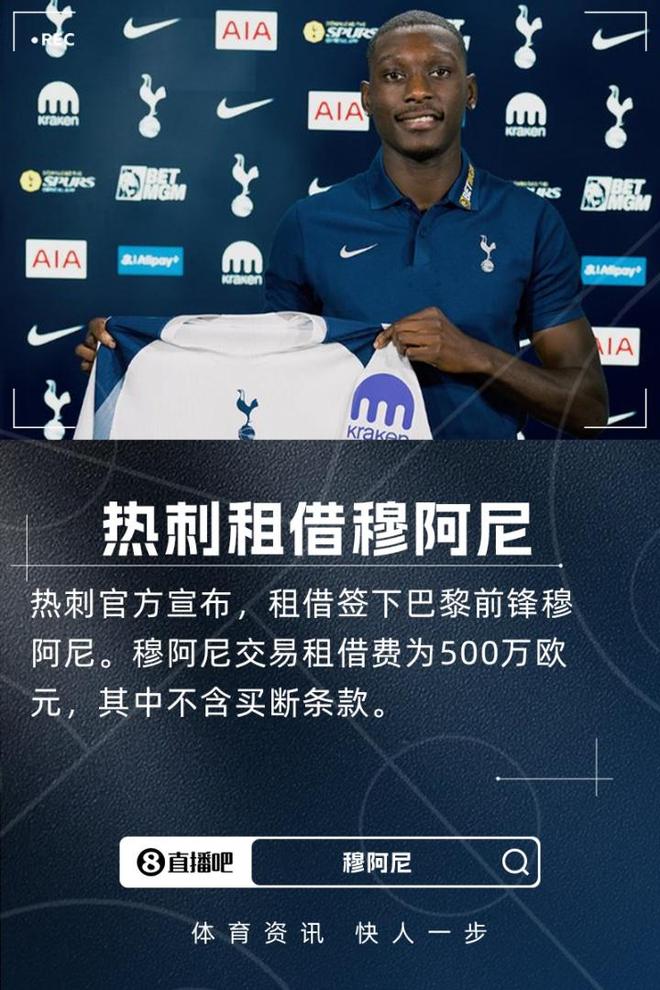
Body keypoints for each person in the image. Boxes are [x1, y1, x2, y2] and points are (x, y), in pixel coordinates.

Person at [78, 9, 608, 438]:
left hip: (480, 506)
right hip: (348, 505)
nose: (418, 90)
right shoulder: (309, 224)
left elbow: (589, 409)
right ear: (367, 99)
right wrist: (140, 360)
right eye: (394, 75)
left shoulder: (530, 221)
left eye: (440, 72)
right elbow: (261, 372)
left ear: (469, 92)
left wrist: (475, 356)